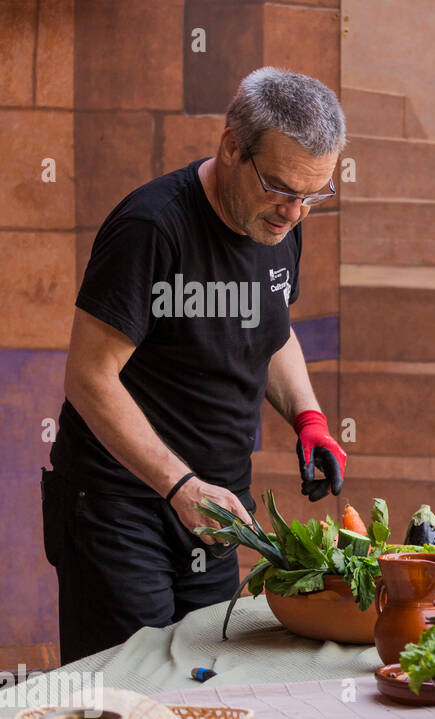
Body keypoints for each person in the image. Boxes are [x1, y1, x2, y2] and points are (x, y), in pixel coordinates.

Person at [42, 68, 350, 664]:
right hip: (118, 507)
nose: (294, 212)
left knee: (207, 684)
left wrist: (309, 420)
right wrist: (179, 486)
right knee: (129, 697)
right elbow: (88, 376)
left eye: (313, 195)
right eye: (281, 188)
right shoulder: (151, 226)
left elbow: (274, 330)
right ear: (231, 146)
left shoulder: (279, 227)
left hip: (216, 510)